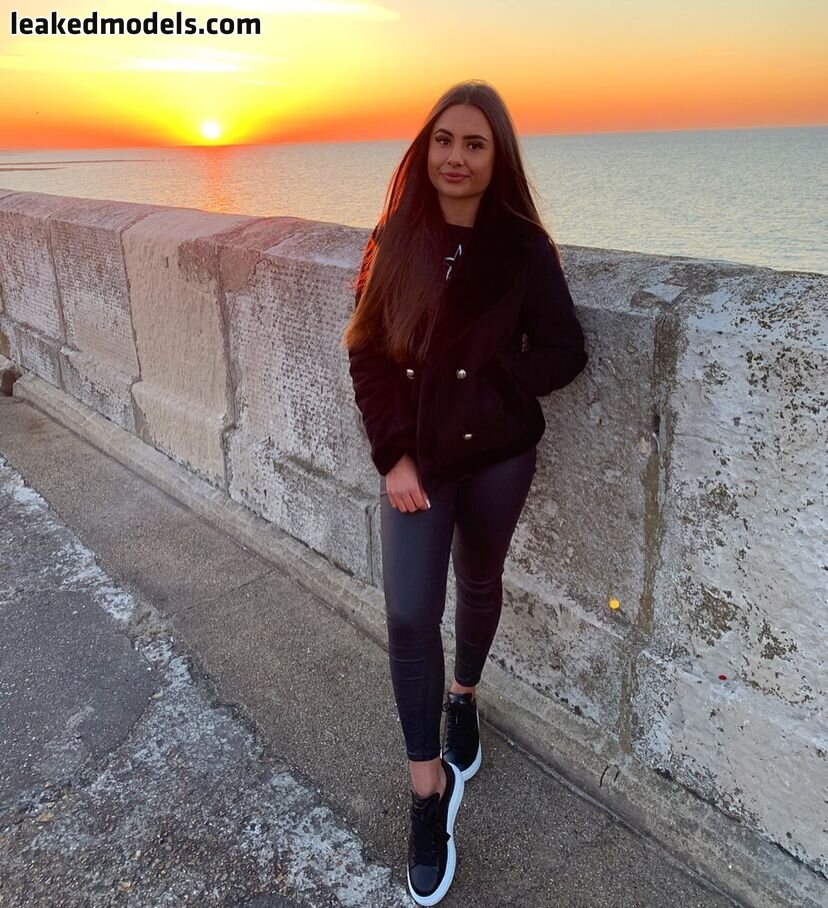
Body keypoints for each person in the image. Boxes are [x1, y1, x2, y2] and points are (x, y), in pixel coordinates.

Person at [341, 79, 588, 905]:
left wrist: (492, 384)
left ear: (496, 156)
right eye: (444, 140)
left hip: (497, 457)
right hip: (419, 462)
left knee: (480, 579)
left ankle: (465, 700)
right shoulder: (395, 236)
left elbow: (564, 349)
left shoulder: (524, 247)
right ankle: (428, 790)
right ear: (426, 148)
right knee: (410, 613)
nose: (456, 157)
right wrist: (393, 456)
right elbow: (368, 351)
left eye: (475, 144)